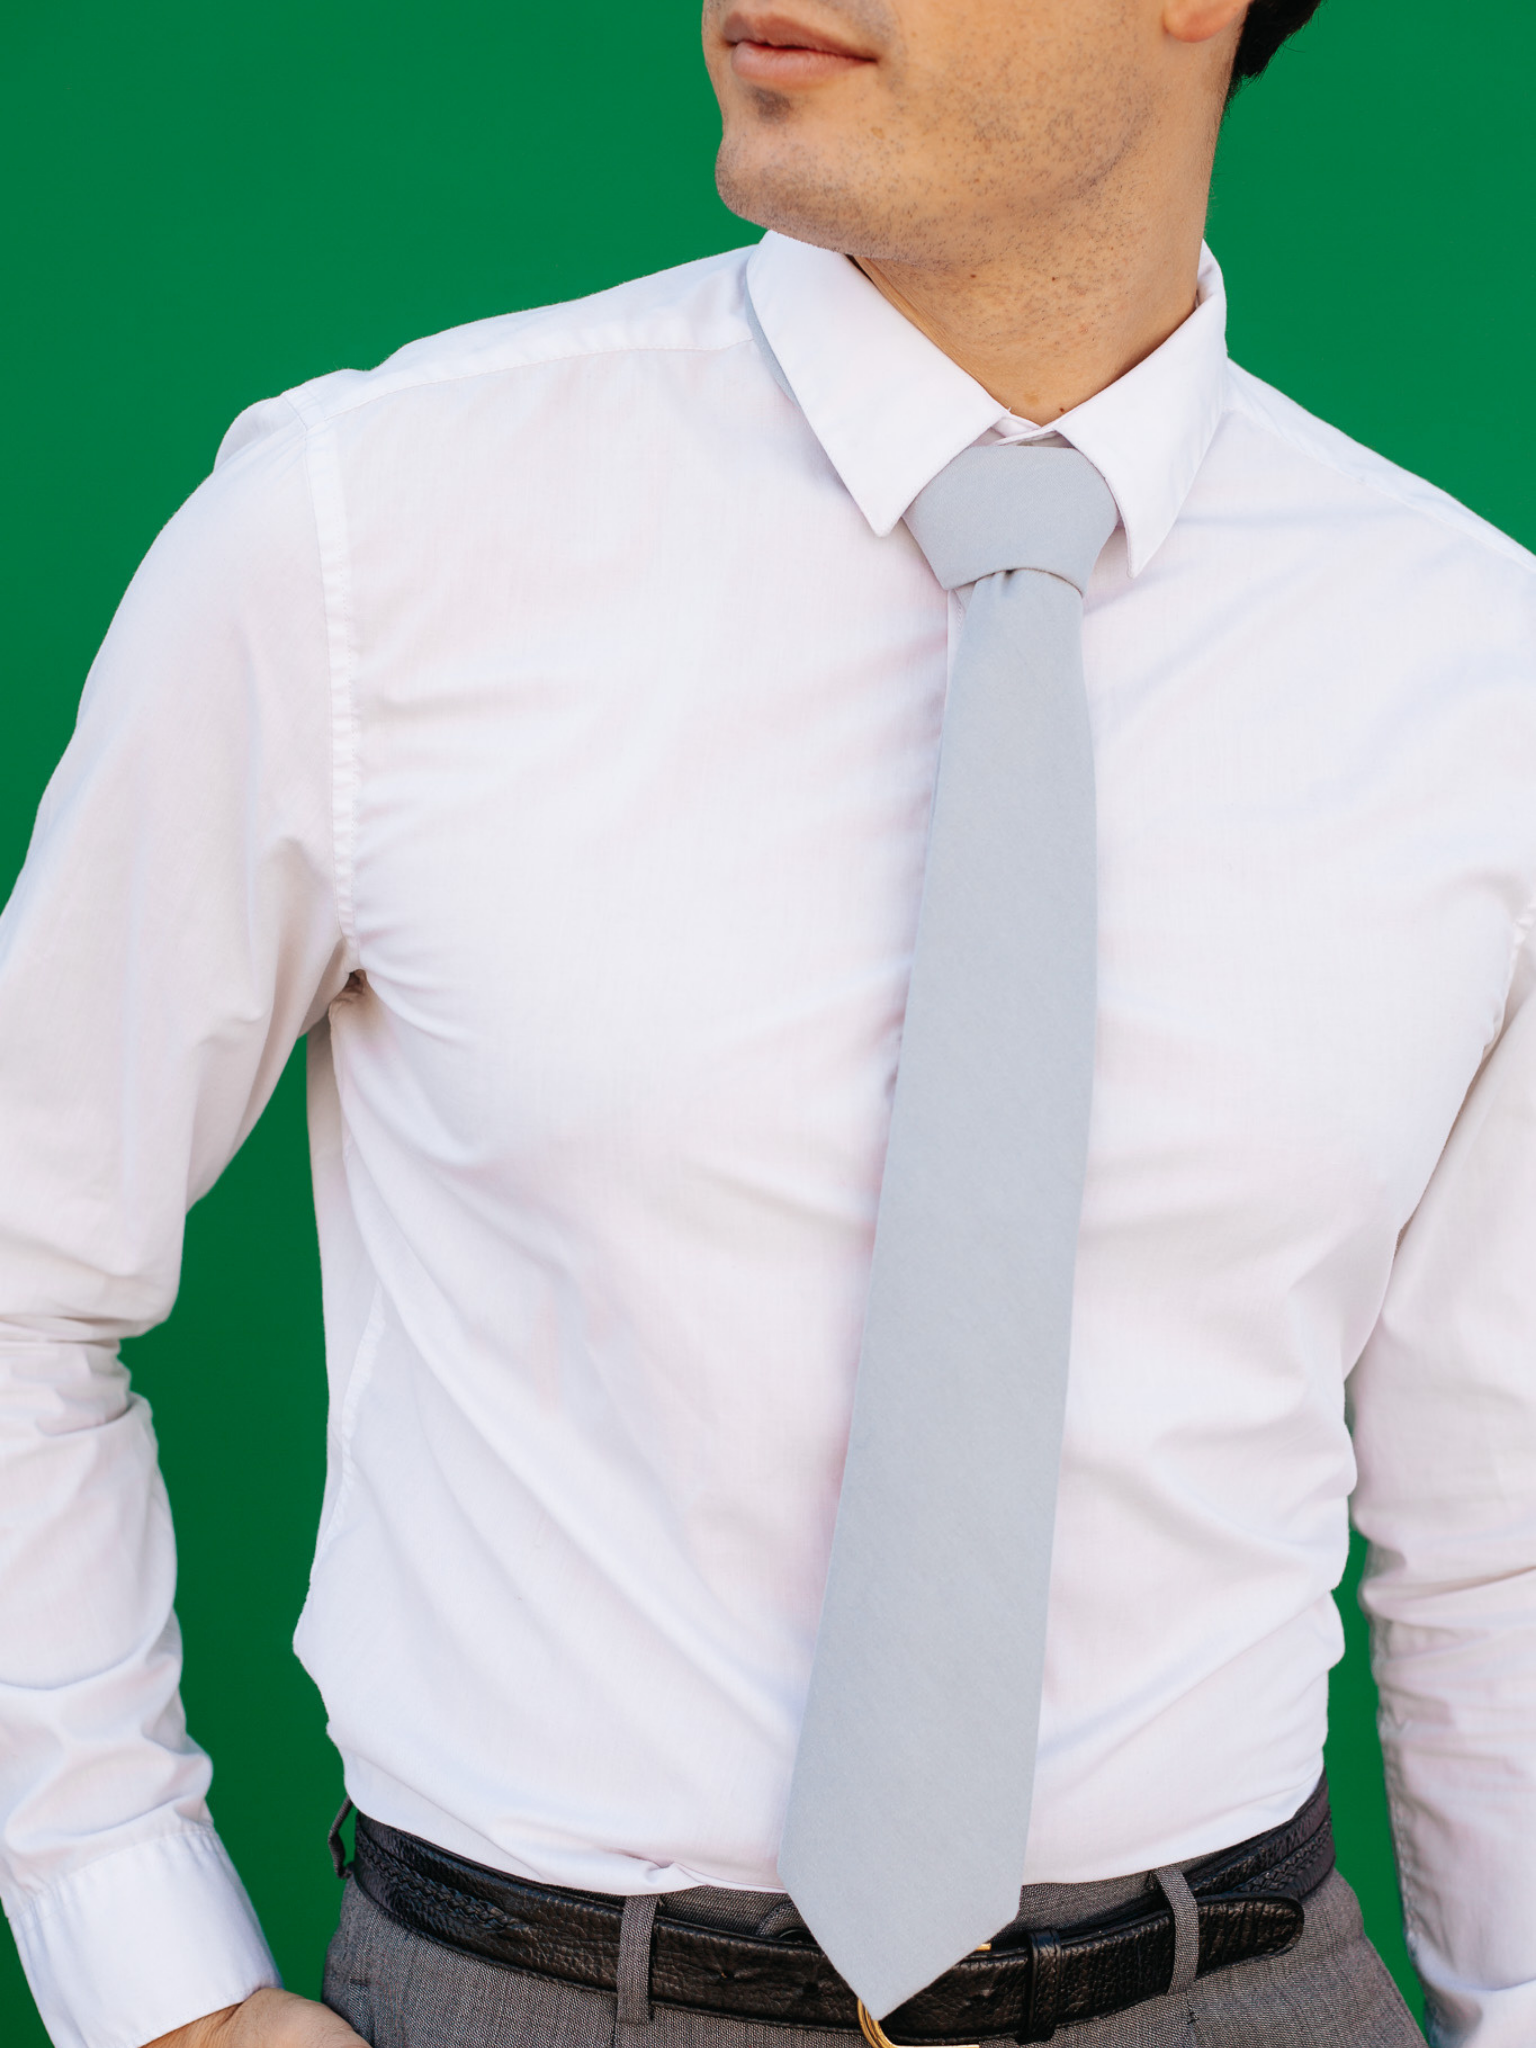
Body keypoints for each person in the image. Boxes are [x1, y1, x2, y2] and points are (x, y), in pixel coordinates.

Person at [2, 0, 1533, 2042]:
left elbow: (1501, 1527)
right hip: (536, 1994)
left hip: (1245, 1989)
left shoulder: (1470, 675)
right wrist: (151, 1972)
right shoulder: (365, 539)